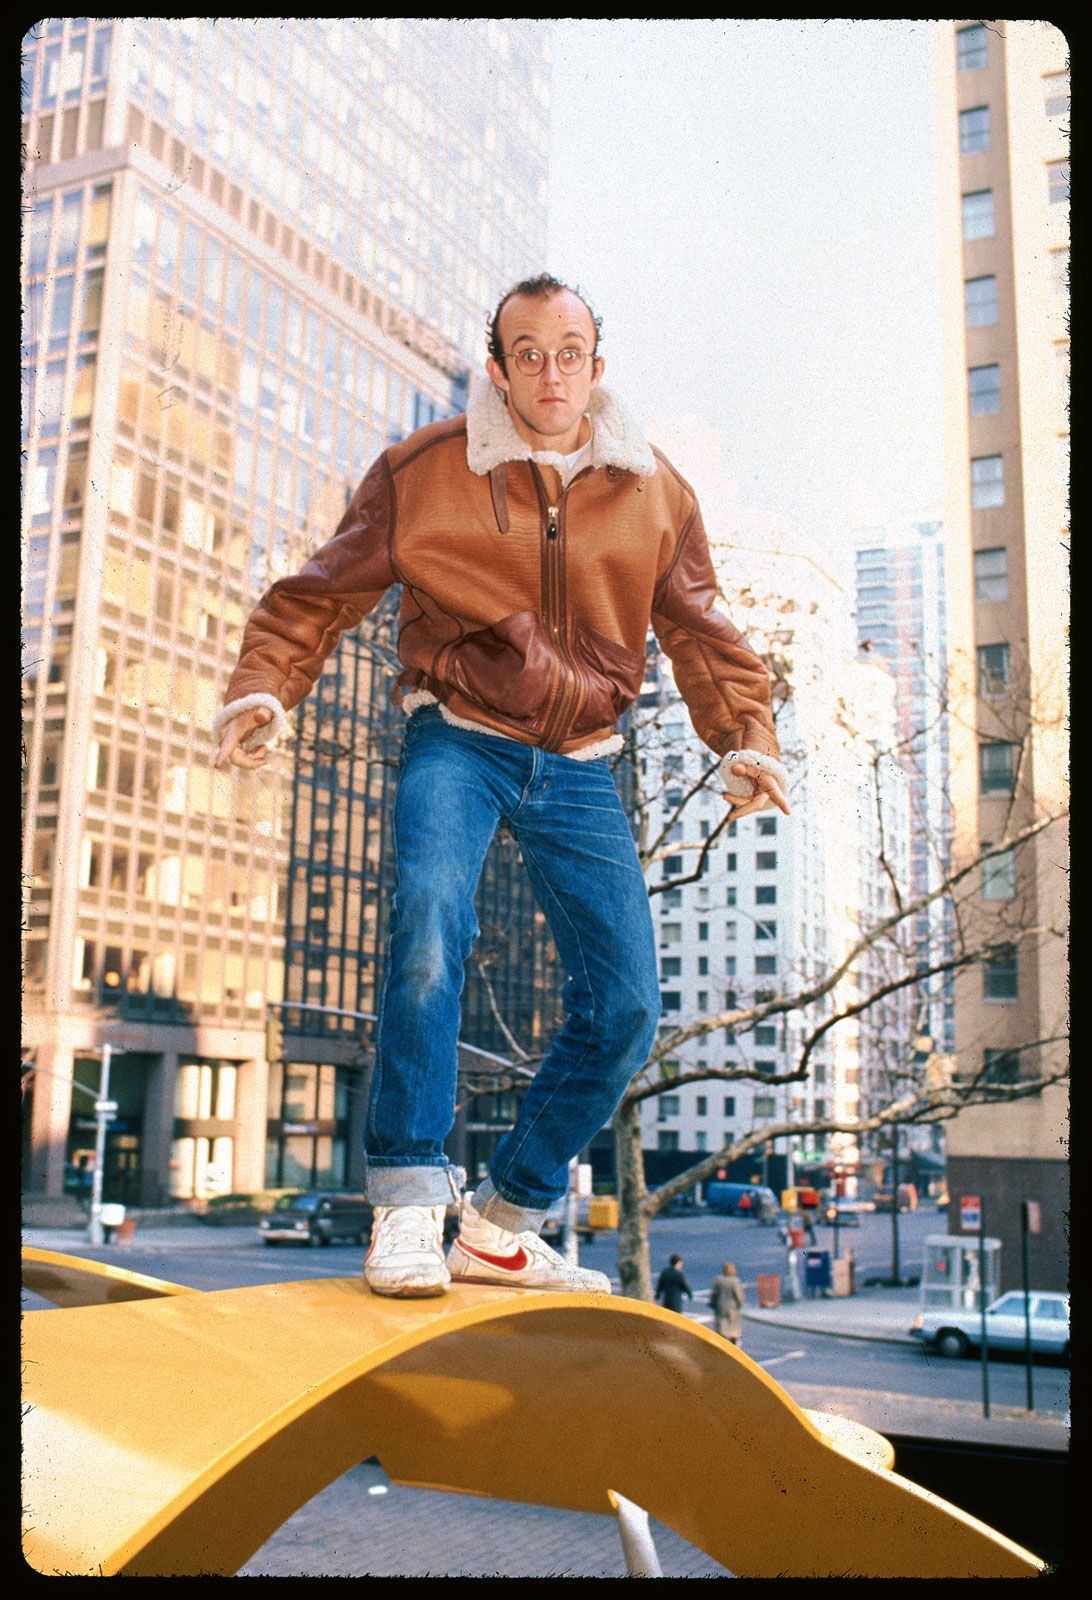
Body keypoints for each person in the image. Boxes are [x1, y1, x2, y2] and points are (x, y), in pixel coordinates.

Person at [213, 273, 790, 1298]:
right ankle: (406, 1201)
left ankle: (502, 1221)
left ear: (598, 369)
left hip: (580, 767)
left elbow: (701, 628)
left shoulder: (654, 490)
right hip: (460, 739)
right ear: (499, 368)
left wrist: (745, 738)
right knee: (431, 926)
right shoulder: (425, 471)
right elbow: (318, 592)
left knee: (623, 1007)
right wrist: (264, 689)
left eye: (571, 351)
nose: (551, 371)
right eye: (529, 352)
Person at [710, 1261, 745, 1346]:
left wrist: (714, 1304)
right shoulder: (735, 1281)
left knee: (722, 1328)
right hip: (732, 1309)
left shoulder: (718, 1280)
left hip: (720, 1308)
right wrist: (739, 1304)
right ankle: (733, 1346)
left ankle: (721, 1346)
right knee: (733, 1329)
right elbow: (739, 1296)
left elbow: (714, 1294)